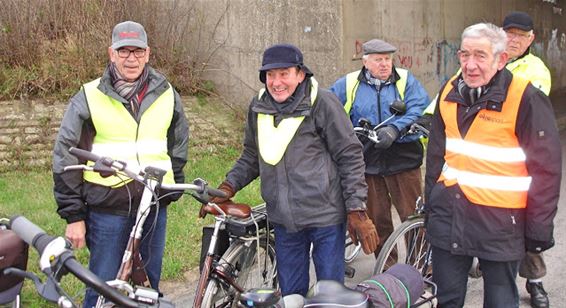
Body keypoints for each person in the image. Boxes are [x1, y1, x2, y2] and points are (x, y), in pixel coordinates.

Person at [208, 43, 378, 296]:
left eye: (284, 73)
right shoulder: (258, 107)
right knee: (291, 296)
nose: (277, 82)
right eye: (270, 75)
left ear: (300, 74)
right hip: (284, 220)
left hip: (325, 217)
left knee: (329, 295)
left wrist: (356, 210)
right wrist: (227, 186)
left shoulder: (323, 103)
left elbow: (349, 156)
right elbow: (252, 155)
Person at [52, 21, 189, 307]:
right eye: (123, 51)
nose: (131, 59)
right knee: (103, 286)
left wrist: (171, 187)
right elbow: (66, 155)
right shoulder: (90, 96)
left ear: (148, 53)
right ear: (111, 54)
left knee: (148, 287)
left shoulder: (166, 93)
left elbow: (177, 144)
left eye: (137, 52)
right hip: (108, 209)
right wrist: (74, 216)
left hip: (152, 207)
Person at [424, 22, 561, 307]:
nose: (470, 65)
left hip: (500, 222)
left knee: (500, 300)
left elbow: (545, 172)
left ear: (501, 59)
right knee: (446, 298)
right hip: (450, 213)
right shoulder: (449, 92)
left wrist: (538, 231)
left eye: (480, 56)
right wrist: (432, 206)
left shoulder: (526, 99)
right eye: (464, 55)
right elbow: (436, 156)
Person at [330, 39, 429, 258]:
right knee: (378, 218)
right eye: (378, 60)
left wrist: (395, 128)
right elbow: (330, 110)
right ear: (365, 62)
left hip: (403, 159)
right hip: (368, 160)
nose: (385, 64)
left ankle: (422, 266)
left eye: (388, 59)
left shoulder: (405, 80)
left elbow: (420, 107)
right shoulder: (348, 84)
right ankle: (386, 268)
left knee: (412, 216)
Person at [502, 11, 553, 308]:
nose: (513, 40)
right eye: (509, 34)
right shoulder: (485, 58)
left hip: (521, 162)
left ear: (531, 39)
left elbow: (531, 110)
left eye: (520, 36)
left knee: (526, 224)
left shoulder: (535, 69)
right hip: (488, 162)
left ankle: (535, 283)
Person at [503, 11, 551, 96]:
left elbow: (534, 106)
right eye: (511, 33)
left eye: (522, 35)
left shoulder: (538, 71)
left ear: (530, 39)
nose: (515, 40)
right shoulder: (487, 58)